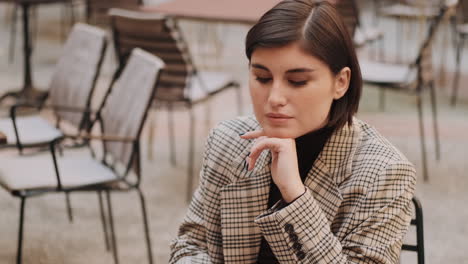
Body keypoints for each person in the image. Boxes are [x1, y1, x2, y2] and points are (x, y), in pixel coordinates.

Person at [169, 0, 416, 263]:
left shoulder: (384, 172)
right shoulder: (229, 141)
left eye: (297, 81)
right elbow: (190, 246)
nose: (274, 98)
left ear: (341, 82)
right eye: (262, 78)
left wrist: (295, 196)